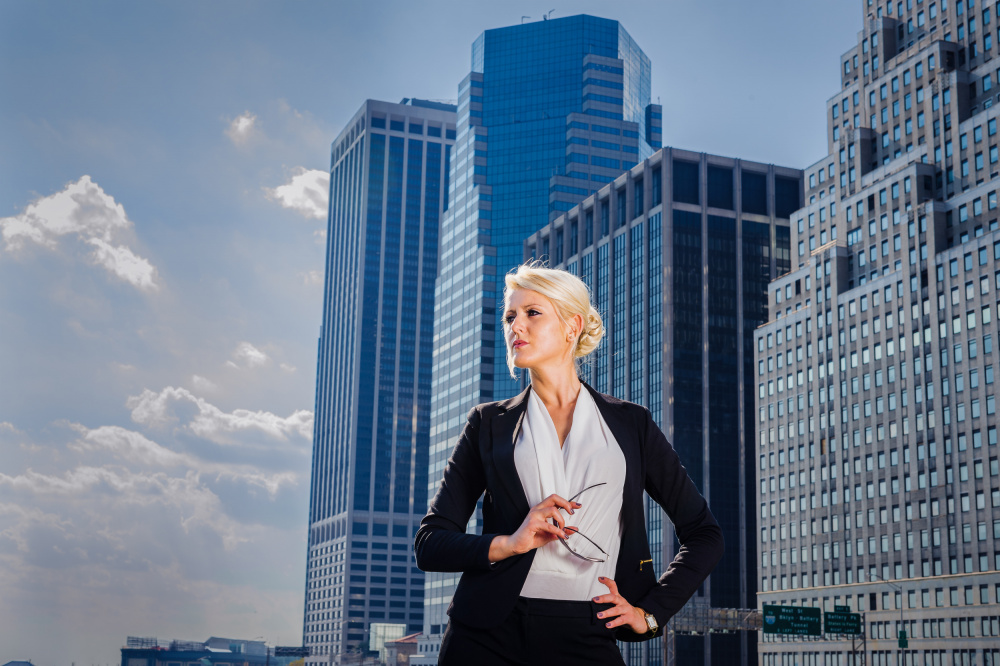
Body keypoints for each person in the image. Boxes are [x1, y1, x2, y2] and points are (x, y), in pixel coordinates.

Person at [414, 262, 724, 665]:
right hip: (486, 635)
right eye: (510, 316)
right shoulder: (488, 423)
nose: (515, 327)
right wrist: (510, 543)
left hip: (588, 631)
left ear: (571, 325)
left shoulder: (631, 424)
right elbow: (430, 544)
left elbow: (705, 534)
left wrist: (649, 614)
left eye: (532, 313)